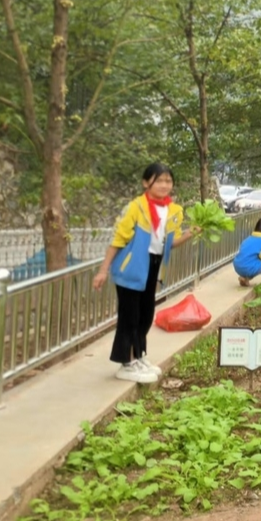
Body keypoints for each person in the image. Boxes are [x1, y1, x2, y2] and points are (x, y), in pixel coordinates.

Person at [92, 163, 197, 384]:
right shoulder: (136, 207)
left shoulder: (173, 210)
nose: (164, 185)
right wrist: (103, 270)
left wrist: (189, 234)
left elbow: (169, 243)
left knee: (146, 314)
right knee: (129, 316)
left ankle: (138, 355)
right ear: (146, 182)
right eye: (159, 180)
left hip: (154, 265)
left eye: (168, 181)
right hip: (132, 267)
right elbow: (118, 240)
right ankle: (126, 363)